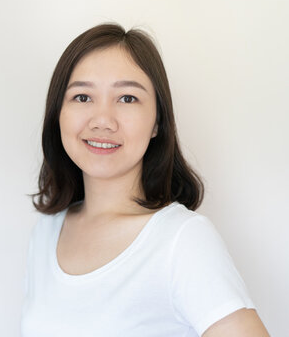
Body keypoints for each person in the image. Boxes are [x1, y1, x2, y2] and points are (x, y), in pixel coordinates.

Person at [21, 23, 269, 336]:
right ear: (57, 113)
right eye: (82, 97)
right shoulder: (46, 233)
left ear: (157, 123)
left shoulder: (183, 240)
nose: (102, 121)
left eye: (127, 99)